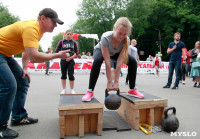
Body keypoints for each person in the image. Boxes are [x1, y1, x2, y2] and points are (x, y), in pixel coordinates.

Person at [0, 8, 70, 138]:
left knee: (23, 80)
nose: (55, 25)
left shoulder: (38, 32)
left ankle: (18, 117)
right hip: (1, 53)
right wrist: (56, 55)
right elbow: (34, 57)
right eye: (53, 22)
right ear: (43, 18)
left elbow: (26, 51)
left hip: (6, 54)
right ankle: (0, 126)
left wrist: (25, 69)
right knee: (9, 86)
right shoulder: (31, 28)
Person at [82, 17, 144, 102]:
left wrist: (116, 81)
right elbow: (108, 62)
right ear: (114, 28)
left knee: (133, 61)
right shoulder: (106, 37)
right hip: (101, 50)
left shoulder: (126, 40)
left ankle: (132, 89)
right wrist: (109, 81)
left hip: (116, 53)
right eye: (119, 33)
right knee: (97, 61)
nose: (122, 36)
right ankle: (90, 91)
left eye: (125, 34)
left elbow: (119, 62)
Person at [55, 29, 79, 94]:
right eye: (67, 34)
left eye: (70, 34)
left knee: (71, 75)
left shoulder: (74, 42)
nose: (69, 35)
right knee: (63, 75)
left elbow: (76, 52)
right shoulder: (61, 42)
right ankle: (63, 89)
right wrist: (63, 53)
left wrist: (71, 57)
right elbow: (57, 51)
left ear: (72, 35)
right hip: (63, 60)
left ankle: (72, 89)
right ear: (65, 34)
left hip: (71, 60)